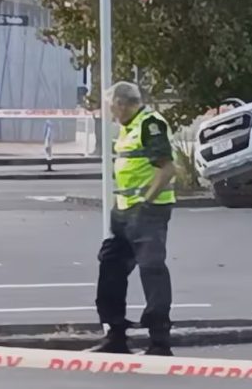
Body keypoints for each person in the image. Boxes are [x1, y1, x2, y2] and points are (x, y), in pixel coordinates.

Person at [88, 81, 177, 356]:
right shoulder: (128, 128)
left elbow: (167, 169)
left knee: (151, 270)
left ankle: (159, 342)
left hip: (147, 212)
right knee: (111, 266)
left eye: (111, 106)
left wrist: (146, 203)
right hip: (125, 212)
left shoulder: (150, 125)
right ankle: (115, 335)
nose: (110, 112)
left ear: (122, 103)